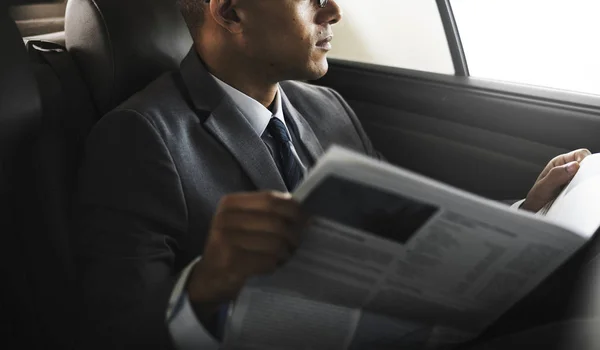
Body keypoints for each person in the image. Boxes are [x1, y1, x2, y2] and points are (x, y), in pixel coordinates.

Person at [73, 0, 591, 349]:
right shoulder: (139, 136)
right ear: (231, 12)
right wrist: (205, 283)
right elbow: (117, 328)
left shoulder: (326, 107)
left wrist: (526, 208)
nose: (335, 10)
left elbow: (411, 227)